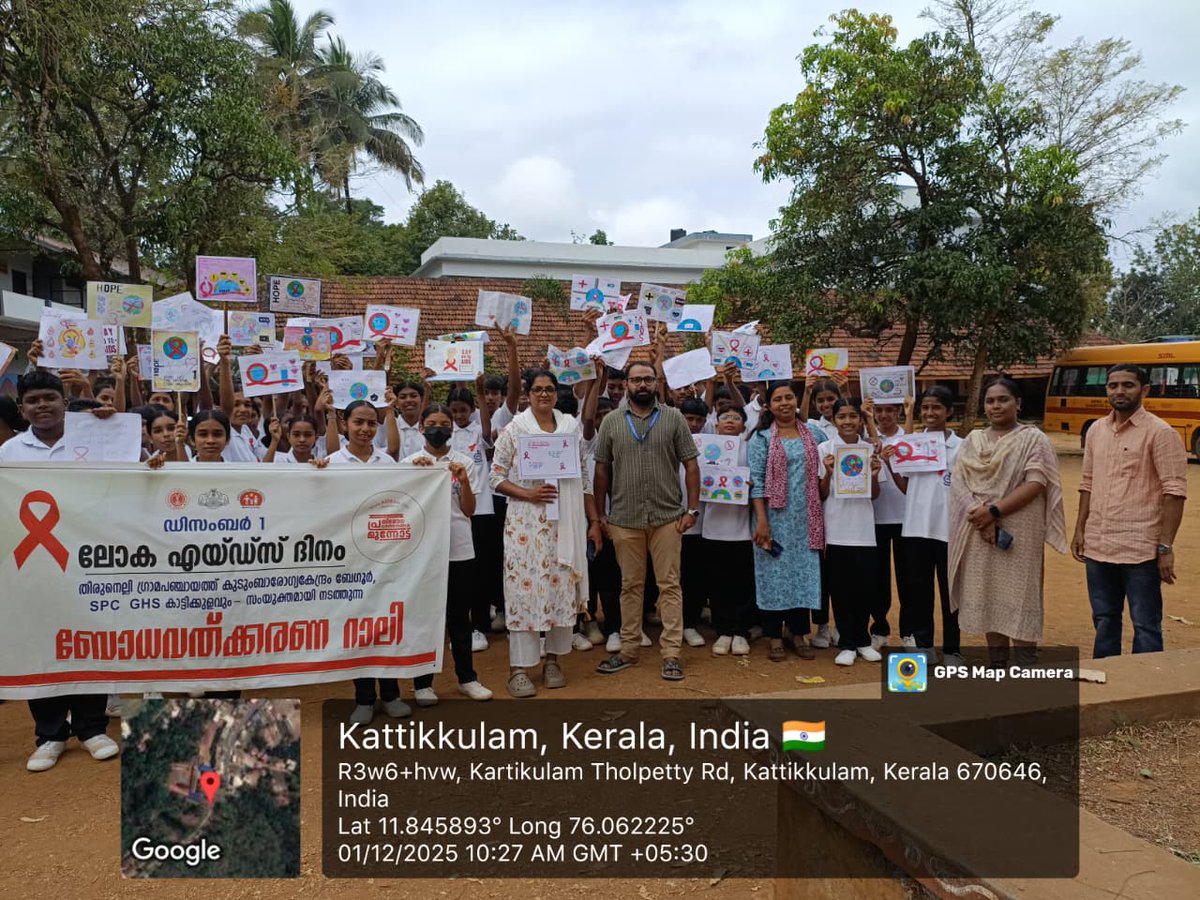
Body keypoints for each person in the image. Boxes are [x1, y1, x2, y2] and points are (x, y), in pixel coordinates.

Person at [0, 370, 120, 772]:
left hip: (88, 560)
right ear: (22, 409)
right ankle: (50, 734)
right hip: (34, 566)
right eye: (33, 400)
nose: (42, 406)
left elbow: (129, 474)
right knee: (41, 644)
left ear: (64, 402)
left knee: (88, 639)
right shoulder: (10, 452)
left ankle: (91, 728)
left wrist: (108, 420)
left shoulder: (94, 439)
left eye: (49, 398)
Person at [491, 370, 603, 697]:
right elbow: (495, 477)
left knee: (560, 590)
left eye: (549, 389)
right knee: (523, 592)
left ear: (556, 393)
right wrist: (528, 494)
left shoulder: (570, 428)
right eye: (538, 389)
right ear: (528, 394)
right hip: (525, 525)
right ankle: (518, 669)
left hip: (565, 525)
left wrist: (594, 521)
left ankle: (553, 660)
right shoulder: (515, 429)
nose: (544, 394)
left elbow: (583, 480)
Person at [593, 361, 700, 681]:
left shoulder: (674, 418)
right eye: (636, 379)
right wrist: (600, 516)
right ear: (626, 384)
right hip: (624, 519)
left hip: (667, 518)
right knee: (630, 585)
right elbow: (601, 471)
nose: (642, 385)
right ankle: (628, 651)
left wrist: (692, 510)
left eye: (648, 379)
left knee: (669, 585)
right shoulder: (611, 421)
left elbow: (691, 465)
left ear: (656, 383)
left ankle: (671, 654)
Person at [1072, 364, 1188, 657]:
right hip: (1099, 545)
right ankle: (1108, 679)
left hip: (1140, 549)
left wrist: (1165, 547)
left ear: (1144, 390)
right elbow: (1087, 483)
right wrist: (1080, 529)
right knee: (1104, 620)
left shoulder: (1160, 433)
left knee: (1146, 625)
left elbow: (1174, 493)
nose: (1119, 391)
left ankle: (1145, 682)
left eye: (1128, 385)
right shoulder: (1096, 430)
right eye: (1113, 386)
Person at [949, 378, 1067, 667]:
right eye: (990, 401)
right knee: (987, 591)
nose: (996, 406)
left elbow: (1036, 482)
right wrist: (981, 515)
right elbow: (959, 482)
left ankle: (1026, 660)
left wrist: (993, 511)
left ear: (1018, 403)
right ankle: (998, 662)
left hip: (1019, 529)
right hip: (978, 529)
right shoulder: (972, 440)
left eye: (1003, 399)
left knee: (1020, 593)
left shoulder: (1033, 439)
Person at [403, 404, 494, 704]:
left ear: (452, 429)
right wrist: (415, 478)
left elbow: (469, 510)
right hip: (423, 552)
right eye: (432, 423)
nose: (438, 429)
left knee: (459, 618)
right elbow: (403, 510)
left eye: (444, 424)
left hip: (459, 549)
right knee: (425, 619)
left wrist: (464, 480)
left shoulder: (463, 462)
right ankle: (422, 684)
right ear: (421, 428)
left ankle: (467, 678)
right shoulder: (409, 464)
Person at [881, 386, 963, 662]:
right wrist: (890, 464)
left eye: (936, 407)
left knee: (950, 593)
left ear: (949, 411)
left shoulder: (961, 447)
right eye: (925, 407)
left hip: (949, 530)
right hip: (916, 528)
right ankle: (924, 644)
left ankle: (952, 649)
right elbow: (906, 487)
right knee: (919, 591)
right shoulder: (912, 444)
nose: (930, 412)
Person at [748, 381, 826, 662]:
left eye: (788, 397)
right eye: (778, 399)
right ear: (769, 406)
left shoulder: (815, 434)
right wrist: (762, 520)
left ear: (796, 400)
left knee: (802, 576)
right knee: (773, 577)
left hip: (806, 519)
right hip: (773, 518)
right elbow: (756, 481)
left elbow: (827, 467)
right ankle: (774, 637)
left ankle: (798, 634)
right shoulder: (761, 438)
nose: (784, 403)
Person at [818, 399, 884, 666]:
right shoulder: (825, 449)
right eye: (842, 416)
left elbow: (875, 495)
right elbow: (821, 494)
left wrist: (875, 475)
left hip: (864, 530)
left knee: (865, 587)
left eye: (852, 416)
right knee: (840, 589)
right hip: (836, 529)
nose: (847, 421)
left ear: (860, 419)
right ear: (834, 420)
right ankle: (846, 643)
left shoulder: (869, 449)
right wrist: (828, 473)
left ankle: (863, 640)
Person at [702, 406, 755, 656]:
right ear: (717, 425)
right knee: (718, 582)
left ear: (744, 426)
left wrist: (751, 485)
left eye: (736, 418)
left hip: (742, 529)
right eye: (725, 418)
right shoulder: (706, 448)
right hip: (712, 527)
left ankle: (741, 631)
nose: (730, 421)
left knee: (742, 582)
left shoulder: (750, 449)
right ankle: (723, 630)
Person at [864, 395, 914, 649]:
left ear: (898, 412)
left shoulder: (910, 437)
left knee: (908, 579)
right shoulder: (866, 440)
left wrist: (911, 410)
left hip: (906, 518)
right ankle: (879, 629)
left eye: (889, 410)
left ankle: (909, 632)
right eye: (879, 410)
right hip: (876, 518)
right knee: (878, 578)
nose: (884, 415)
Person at [678, 397, 710, 647]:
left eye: (699, 419)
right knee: (670, 579)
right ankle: (673, 623)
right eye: (689, 419)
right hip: (672, 521)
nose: (694, 424)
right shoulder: (669, 441)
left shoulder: (712, 446)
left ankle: (689, 623)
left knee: (694, 578)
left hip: (701, 524)